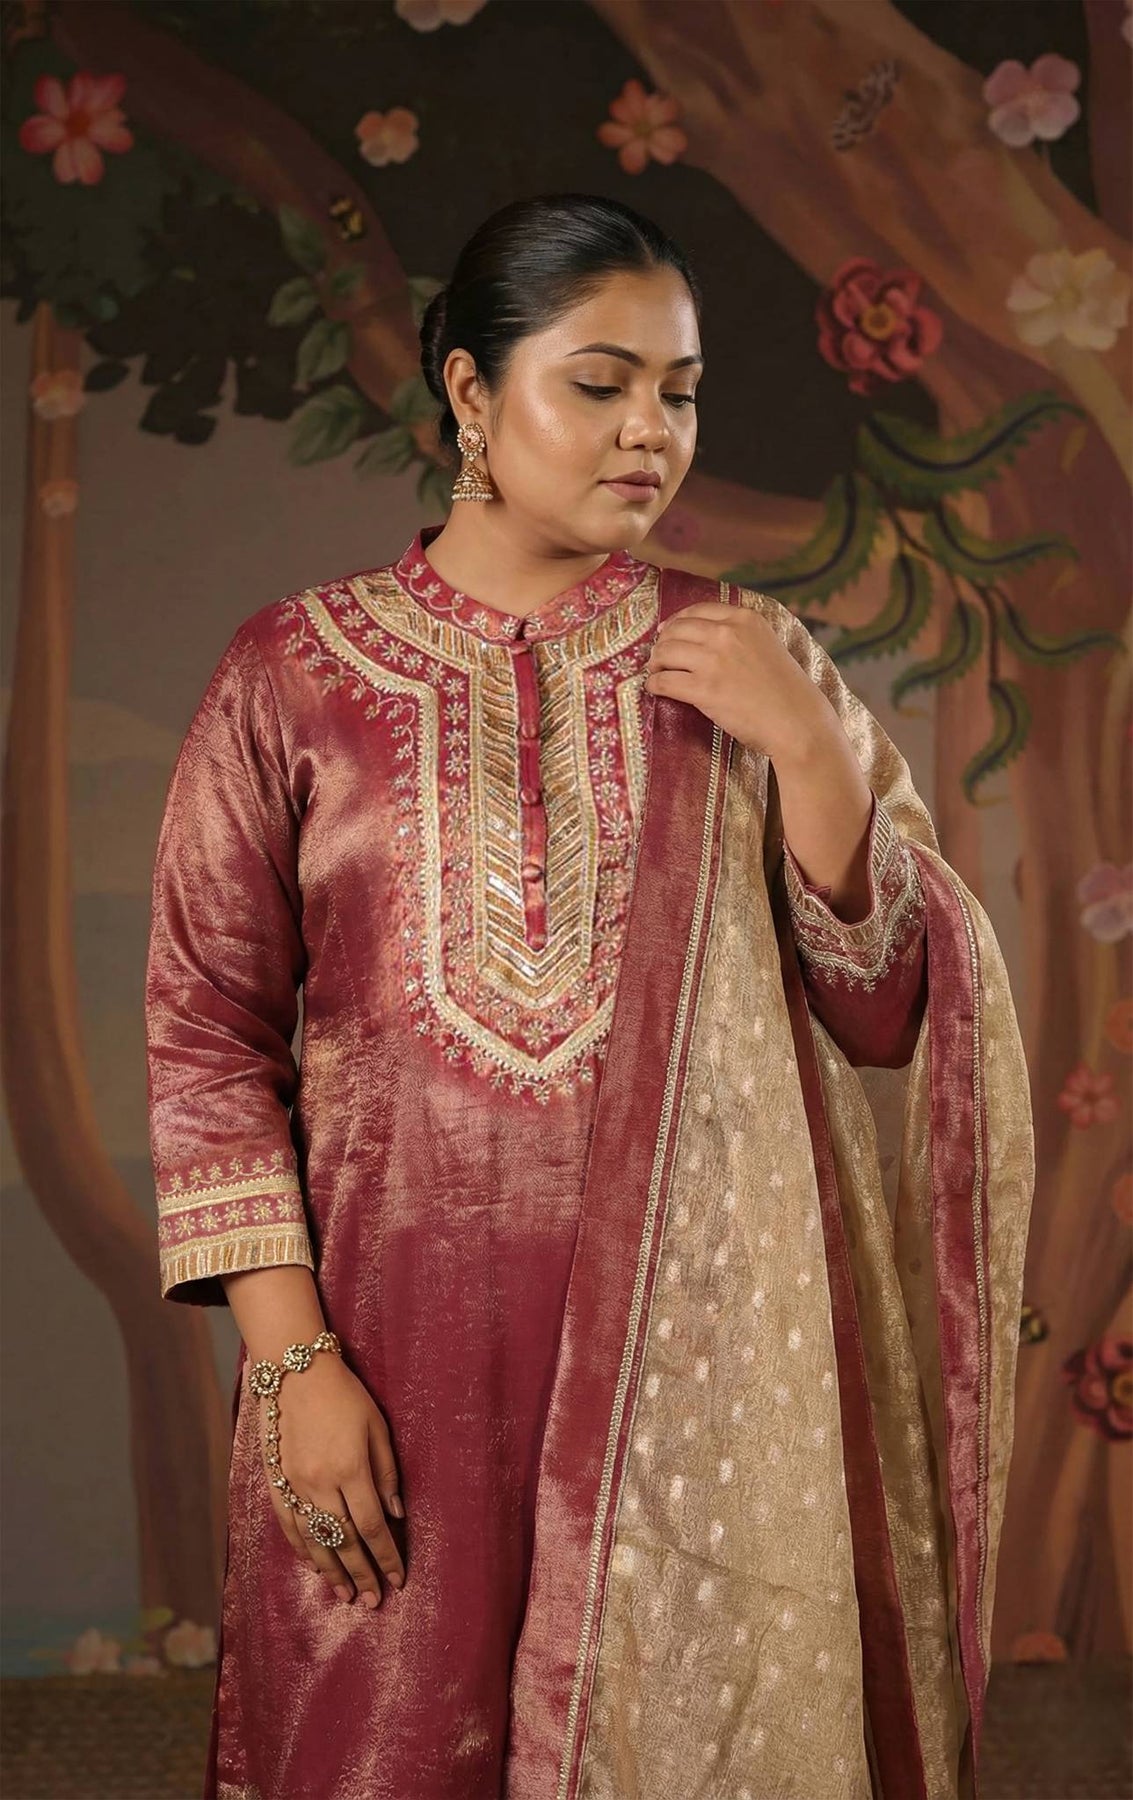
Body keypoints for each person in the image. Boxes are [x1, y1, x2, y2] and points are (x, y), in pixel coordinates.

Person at [145, 192, 1034, 1800]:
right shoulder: (290, 673)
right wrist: (290, 1368)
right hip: (389, 1354)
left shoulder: (745, 658)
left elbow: (889, 1011)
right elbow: (207, 1036)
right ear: (471, 395)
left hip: (697, 1383)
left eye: (679, 393)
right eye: (600, 384)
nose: (650, 433)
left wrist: (813, 754)